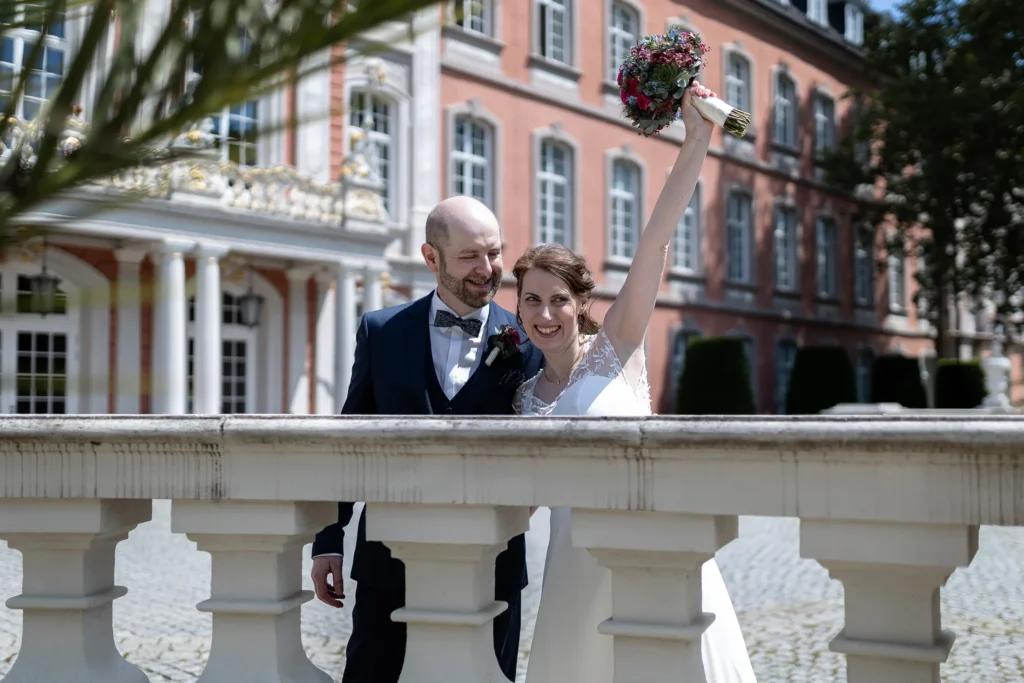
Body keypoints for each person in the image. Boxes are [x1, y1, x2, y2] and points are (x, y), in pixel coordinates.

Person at [514, 85, 758, 683]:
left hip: (656, 547)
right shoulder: (519, 399)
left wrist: (695, 139)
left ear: (582, 304)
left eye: (559, 301)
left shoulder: (614, 347)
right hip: (575, 572)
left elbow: (654, 237)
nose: (545, 315)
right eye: (531, 302)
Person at [309, 195, 544, 683]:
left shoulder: (527, 340)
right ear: (430, 257)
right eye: (469, 256)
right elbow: (352, 438)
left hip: (493, 563)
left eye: (495, 253)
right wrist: (328, 538)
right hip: (387, 561)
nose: (488, 268)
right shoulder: (382, 332)